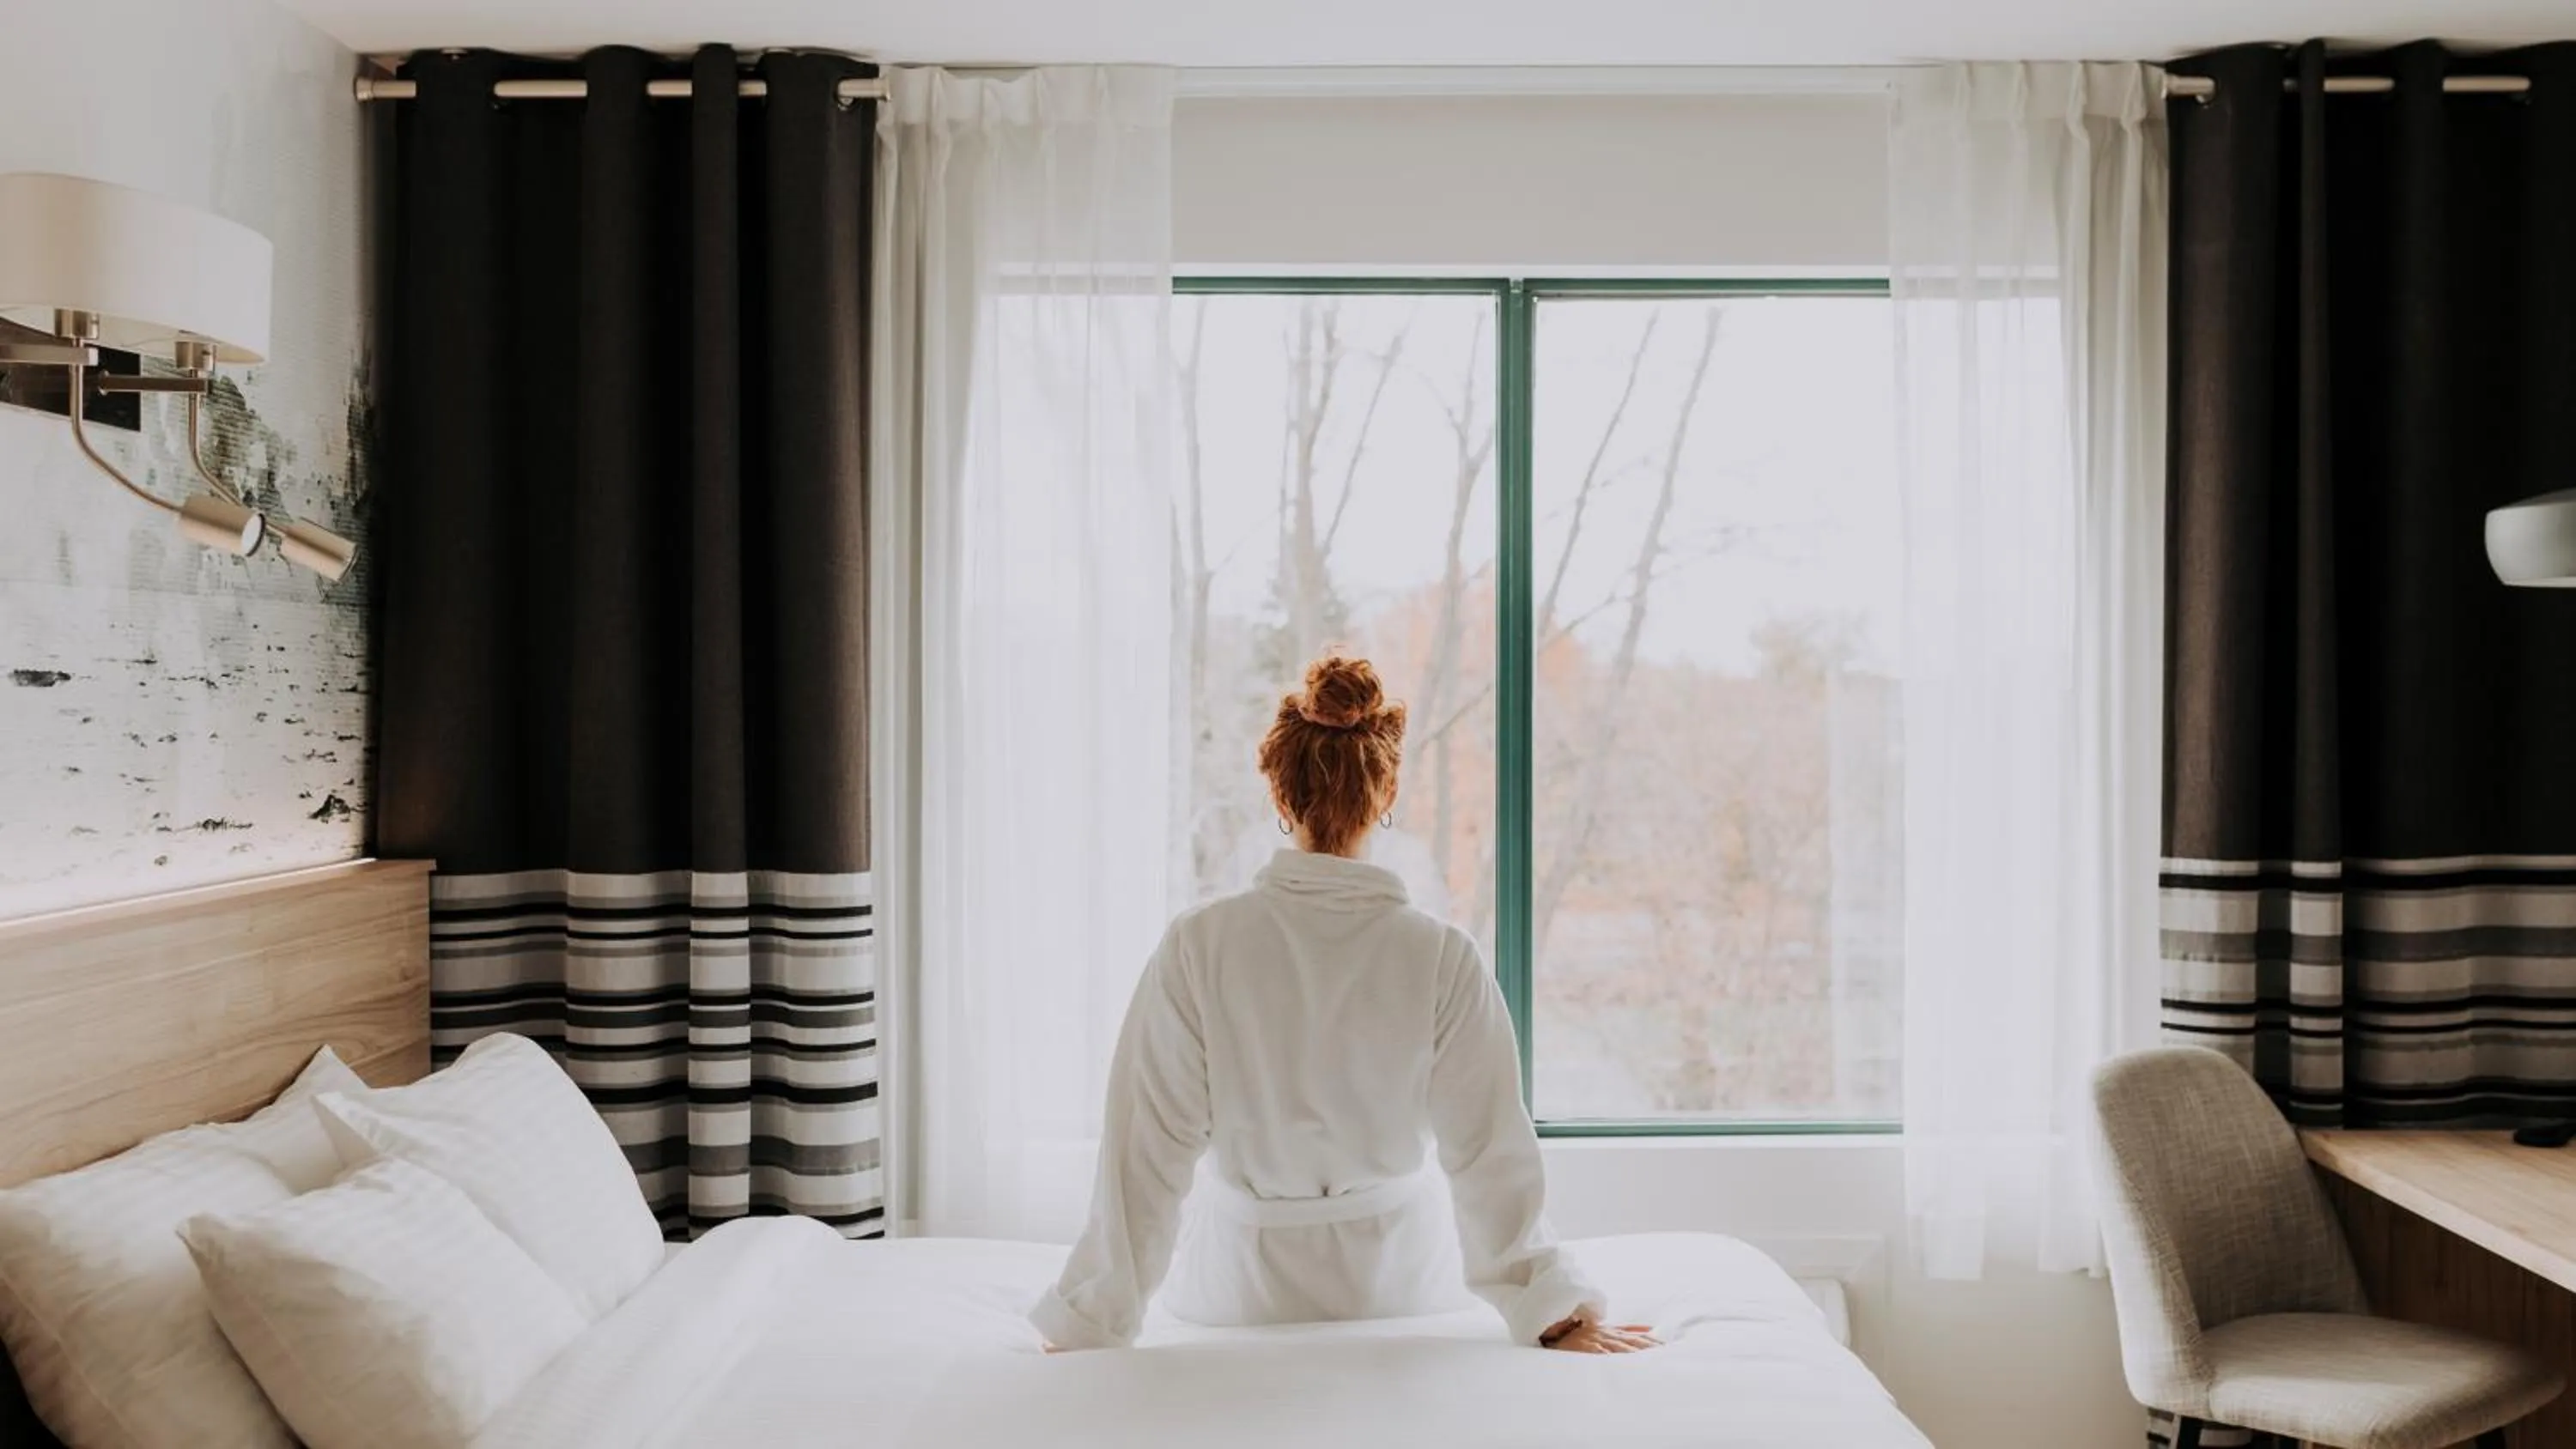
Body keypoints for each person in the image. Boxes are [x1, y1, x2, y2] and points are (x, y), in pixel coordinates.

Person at [1031, 653, 1657, 1356]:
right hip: (1402, 1288)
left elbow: (1144, 1152)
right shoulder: (1441, 955)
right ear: (1386, 796)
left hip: (1236, 1295)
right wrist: (1550, 1308)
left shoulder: (1199, 946)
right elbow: (1488, 1151)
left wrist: (1091, 1320)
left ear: (1278, 793)